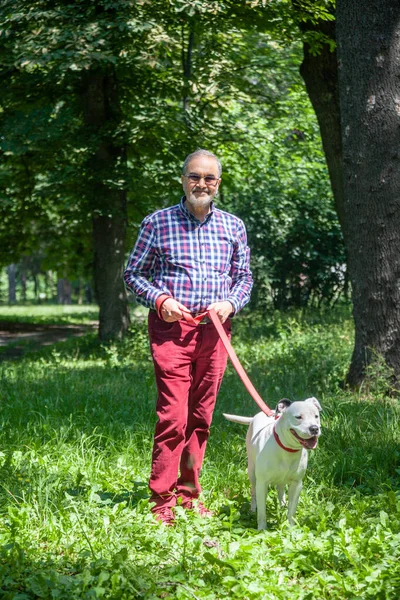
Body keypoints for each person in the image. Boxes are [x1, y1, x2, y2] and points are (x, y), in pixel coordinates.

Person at [124, 149, 253, 525]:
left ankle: (188, 494)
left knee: (201, 415)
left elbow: (243, 278)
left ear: (218, 183)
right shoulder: (157, 223)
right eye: (194, 176)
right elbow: (134, 273)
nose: (201, 184)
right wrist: (160, 299)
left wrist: (230, 303)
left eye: (209, 178)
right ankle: (161, 500)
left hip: (215, 332)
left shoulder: (233, 226)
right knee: (173, 416)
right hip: (172, 330)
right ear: (182, 180)